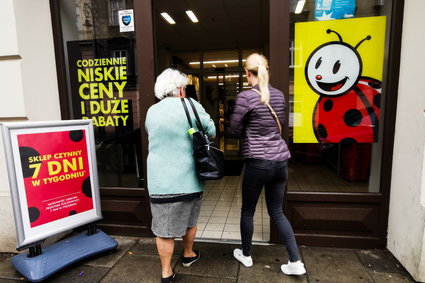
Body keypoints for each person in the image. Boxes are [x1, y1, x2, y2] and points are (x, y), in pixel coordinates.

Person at [228, 53, 306, 276]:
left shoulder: (245, 97)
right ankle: (295, 262)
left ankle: (246, 254)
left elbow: (233, 130)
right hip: (280, 162)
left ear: (247, 73)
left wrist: (247, 130)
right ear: (266, 70)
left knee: (248, 211)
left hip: (258, 163)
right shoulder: (280, 95)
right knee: (277, 212)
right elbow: (279, 125)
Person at [145, 68, 216, 283]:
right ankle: (188, 255)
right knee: (189, 220)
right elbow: (211, 131)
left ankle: (166, 271)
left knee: (163, 230)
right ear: (180, 89)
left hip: (160, 181)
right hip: (189, 178)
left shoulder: (151, 111)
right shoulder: (191, 105)